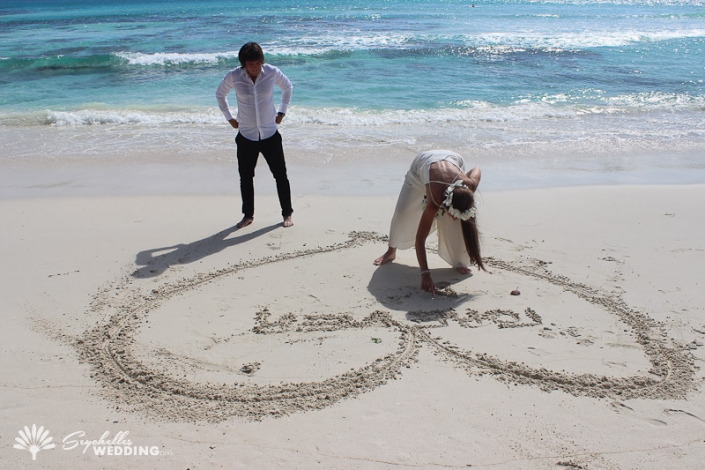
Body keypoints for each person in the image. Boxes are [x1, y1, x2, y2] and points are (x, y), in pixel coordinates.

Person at [374, 150, 485, 295]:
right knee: (402, 213)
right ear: (444, 204)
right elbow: (420, 239)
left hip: (453, 159)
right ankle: (391, 251)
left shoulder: (468, 185)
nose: (453, 217)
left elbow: (476, 169)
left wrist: (466, 181)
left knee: (457, 224)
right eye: (453, 214)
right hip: (422, 165)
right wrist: (425, 274)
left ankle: (459, 260)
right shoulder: (435, 199)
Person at [216, 42, 294, 228]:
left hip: (269, 133)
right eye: (251, 64)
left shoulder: (271, 72)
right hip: (246, 136)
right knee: (246, 177)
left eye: (258, 63)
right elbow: (220, 95)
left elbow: (288, 87)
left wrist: (281, 113)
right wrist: (229, 118)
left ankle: (287, 214)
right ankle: (248, 215)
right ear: (244, 64)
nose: (255, 67)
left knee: (280, 175)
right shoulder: (234, 76)